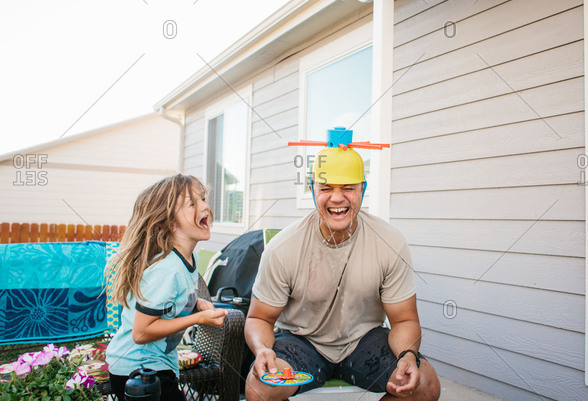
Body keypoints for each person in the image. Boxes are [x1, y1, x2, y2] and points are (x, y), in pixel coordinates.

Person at [244, 135, 441, 401]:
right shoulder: (283, 248)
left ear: (363, 188)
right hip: (302, 342)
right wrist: (262, 350)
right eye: (326, 188)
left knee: (425, 383)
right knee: (259, 388)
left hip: (364, 341)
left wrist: (408, 354)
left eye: (348, 187)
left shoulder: (390, 243)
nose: (337, 198)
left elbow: (404, 319)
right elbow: (259, 318)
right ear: (313, 189)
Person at [105, 174, 228, 401]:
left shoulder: (189, 257)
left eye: (203, 199)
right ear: (171, 224)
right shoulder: (166, 268)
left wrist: (196, 304)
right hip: (137, 371)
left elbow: (171, 304)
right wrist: (198, 319)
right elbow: (141, 332)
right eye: (192, 203)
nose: (205, 207)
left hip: (156, 365)